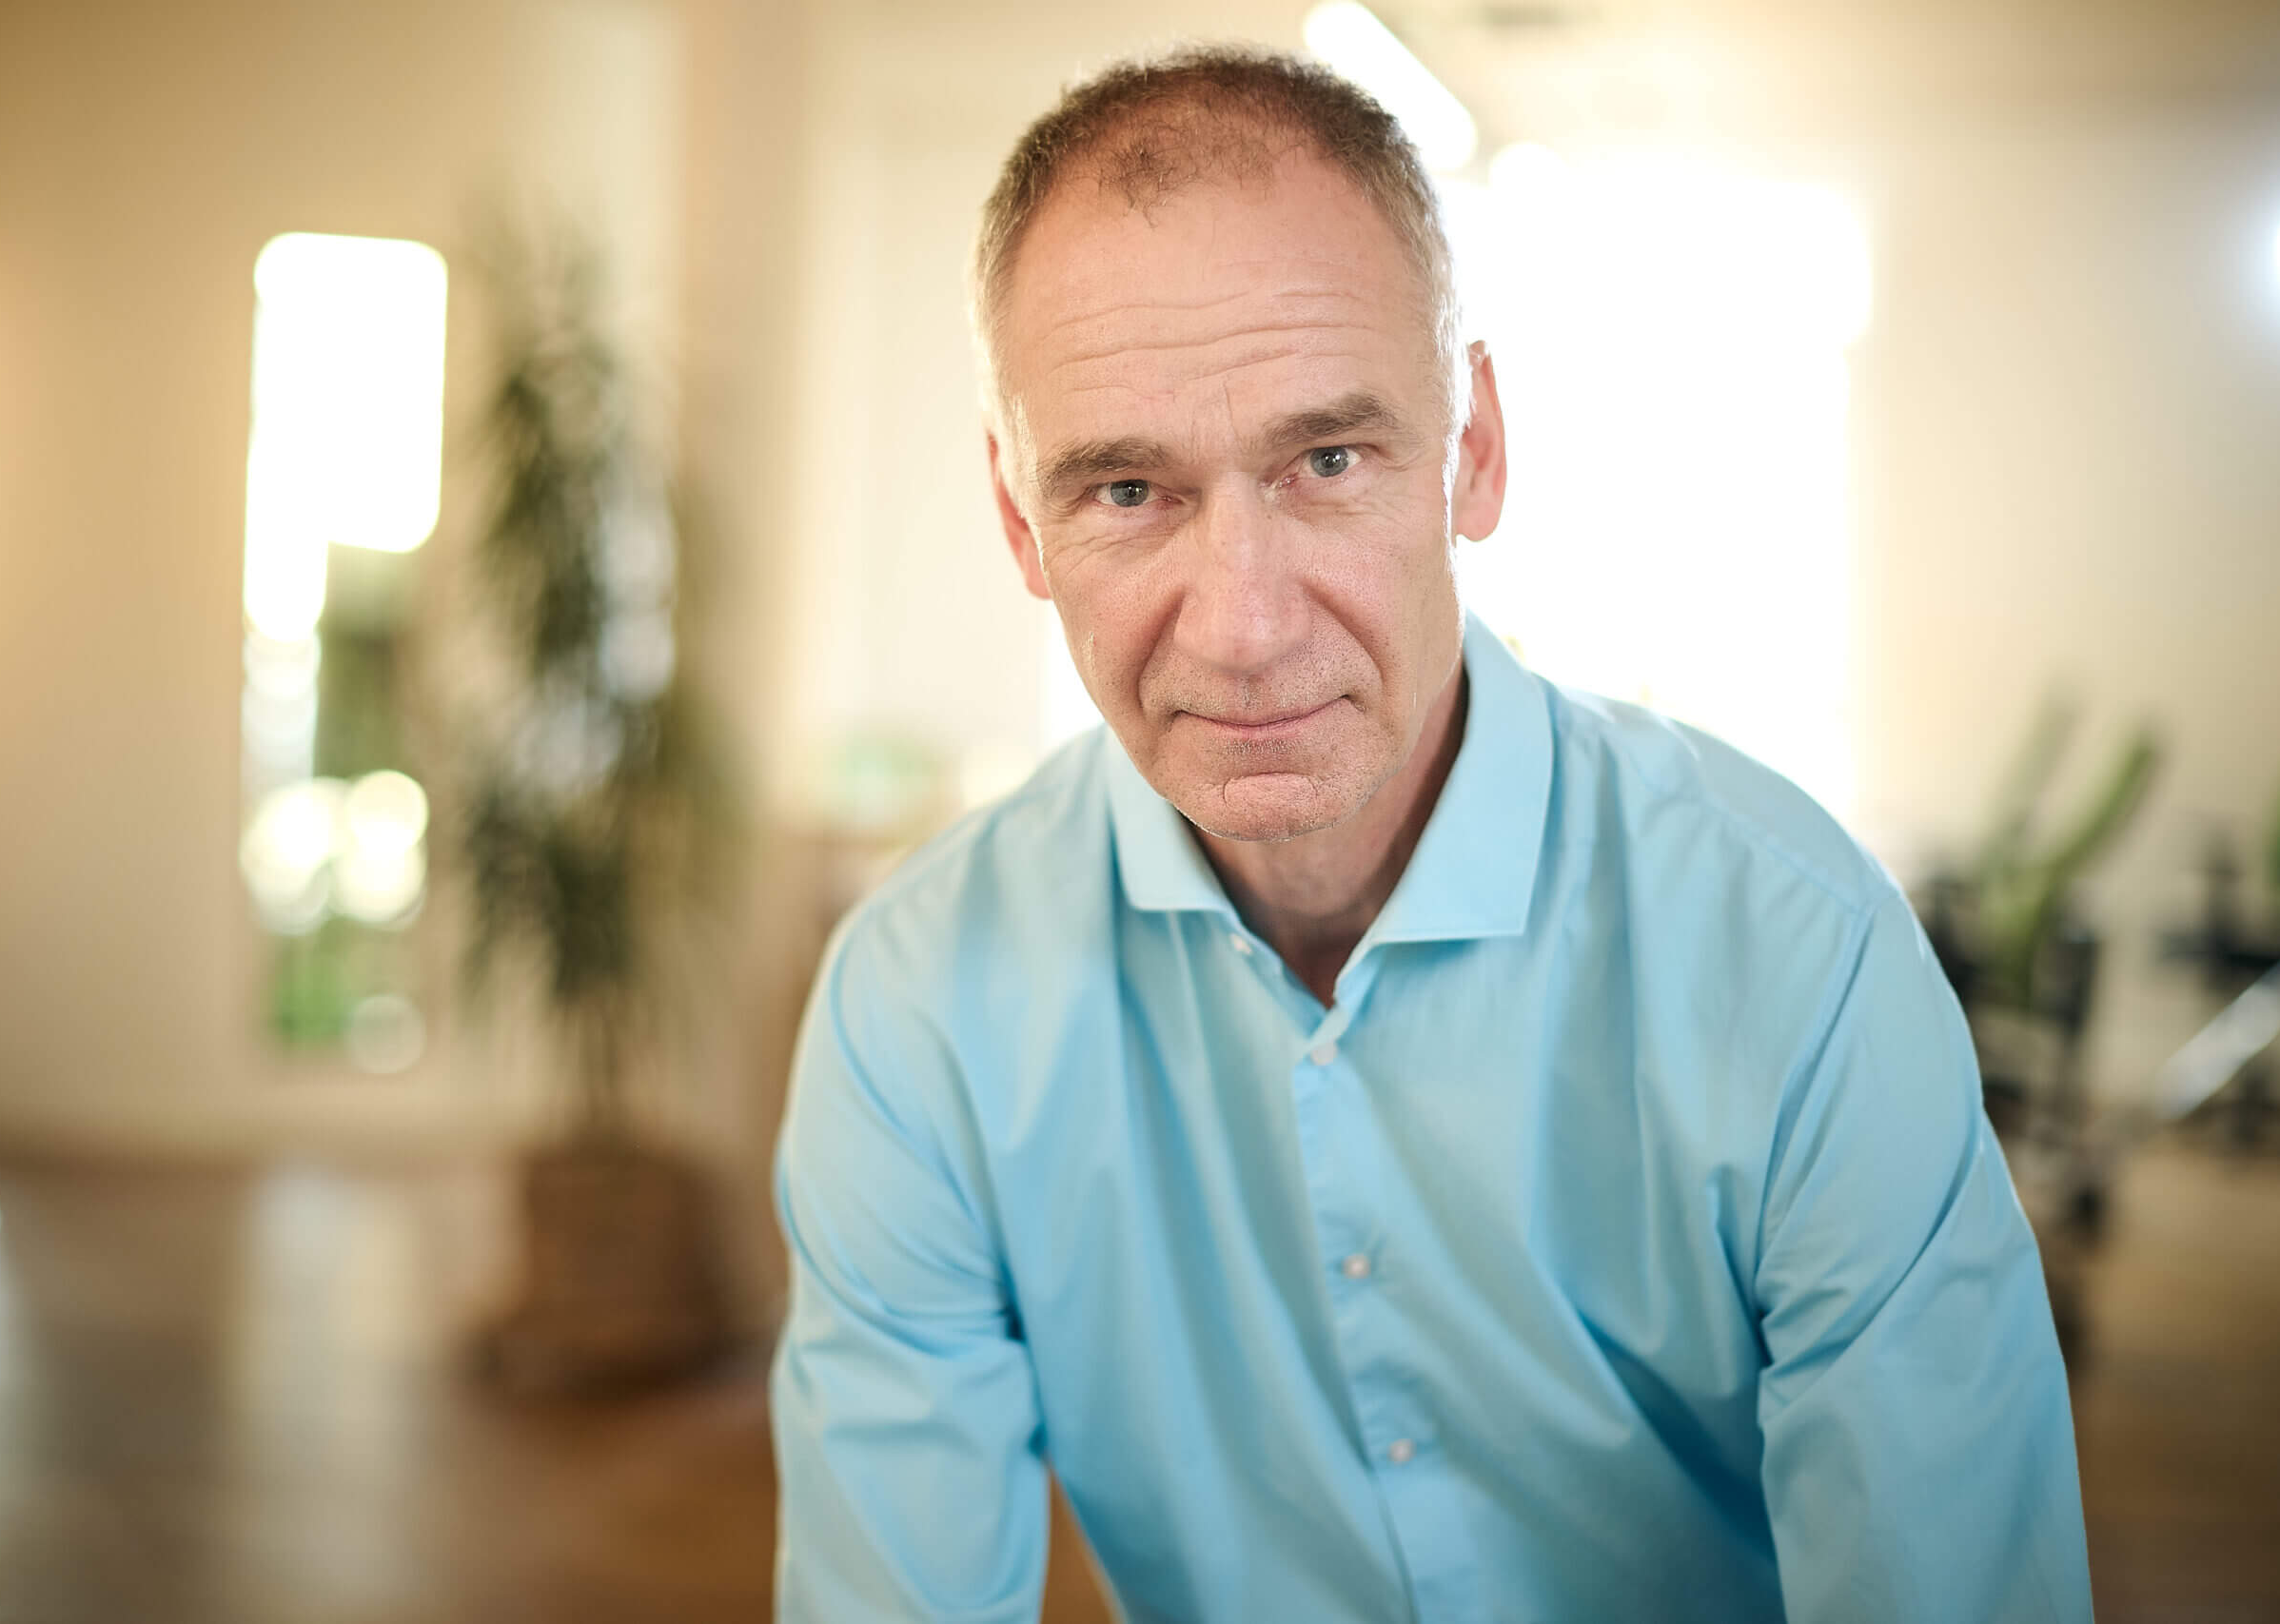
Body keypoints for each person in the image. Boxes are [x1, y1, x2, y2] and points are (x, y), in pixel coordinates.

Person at [769, 43, 2091, 1624]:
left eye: (1328, 460)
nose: (1245, 629)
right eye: (1125, 490)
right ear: (1018, 521)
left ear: (1474, 450)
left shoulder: (1798, 956)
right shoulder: (915, 1013)